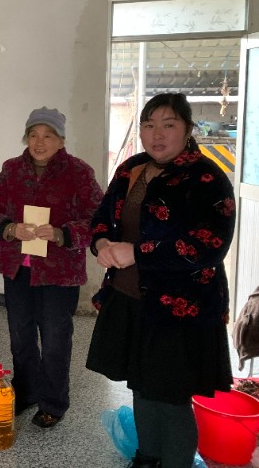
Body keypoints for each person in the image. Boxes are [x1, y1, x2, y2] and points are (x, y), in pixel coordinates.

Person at [86, 93, 236, 468]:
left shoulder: (207, 178)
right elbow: (103, 217)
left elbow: (209, 246)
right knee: (141, 385)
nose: (157, 134)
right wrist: (101, 243)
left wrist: (137, 253)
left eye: (169, 125)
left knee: (171, 397)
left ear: (187, 129)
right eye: (149, 125)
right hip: (128, 296)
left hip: (180, 308)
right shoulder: (131, 169)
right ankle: (147, 457)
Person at [0, 107, 103, 428]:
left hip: (59, 273)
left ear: (61, 140)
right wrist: (9, 228)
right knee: (20, 336)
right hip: (17, 269)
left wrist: (63, 234)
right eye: (33, 134)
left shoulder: (78, 172)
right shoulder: (11, 169)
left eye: (48, 135)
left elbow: (98, 221)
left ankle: (53, 402)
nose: (39, 142)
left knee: (55, 339)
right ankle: (27, 391)